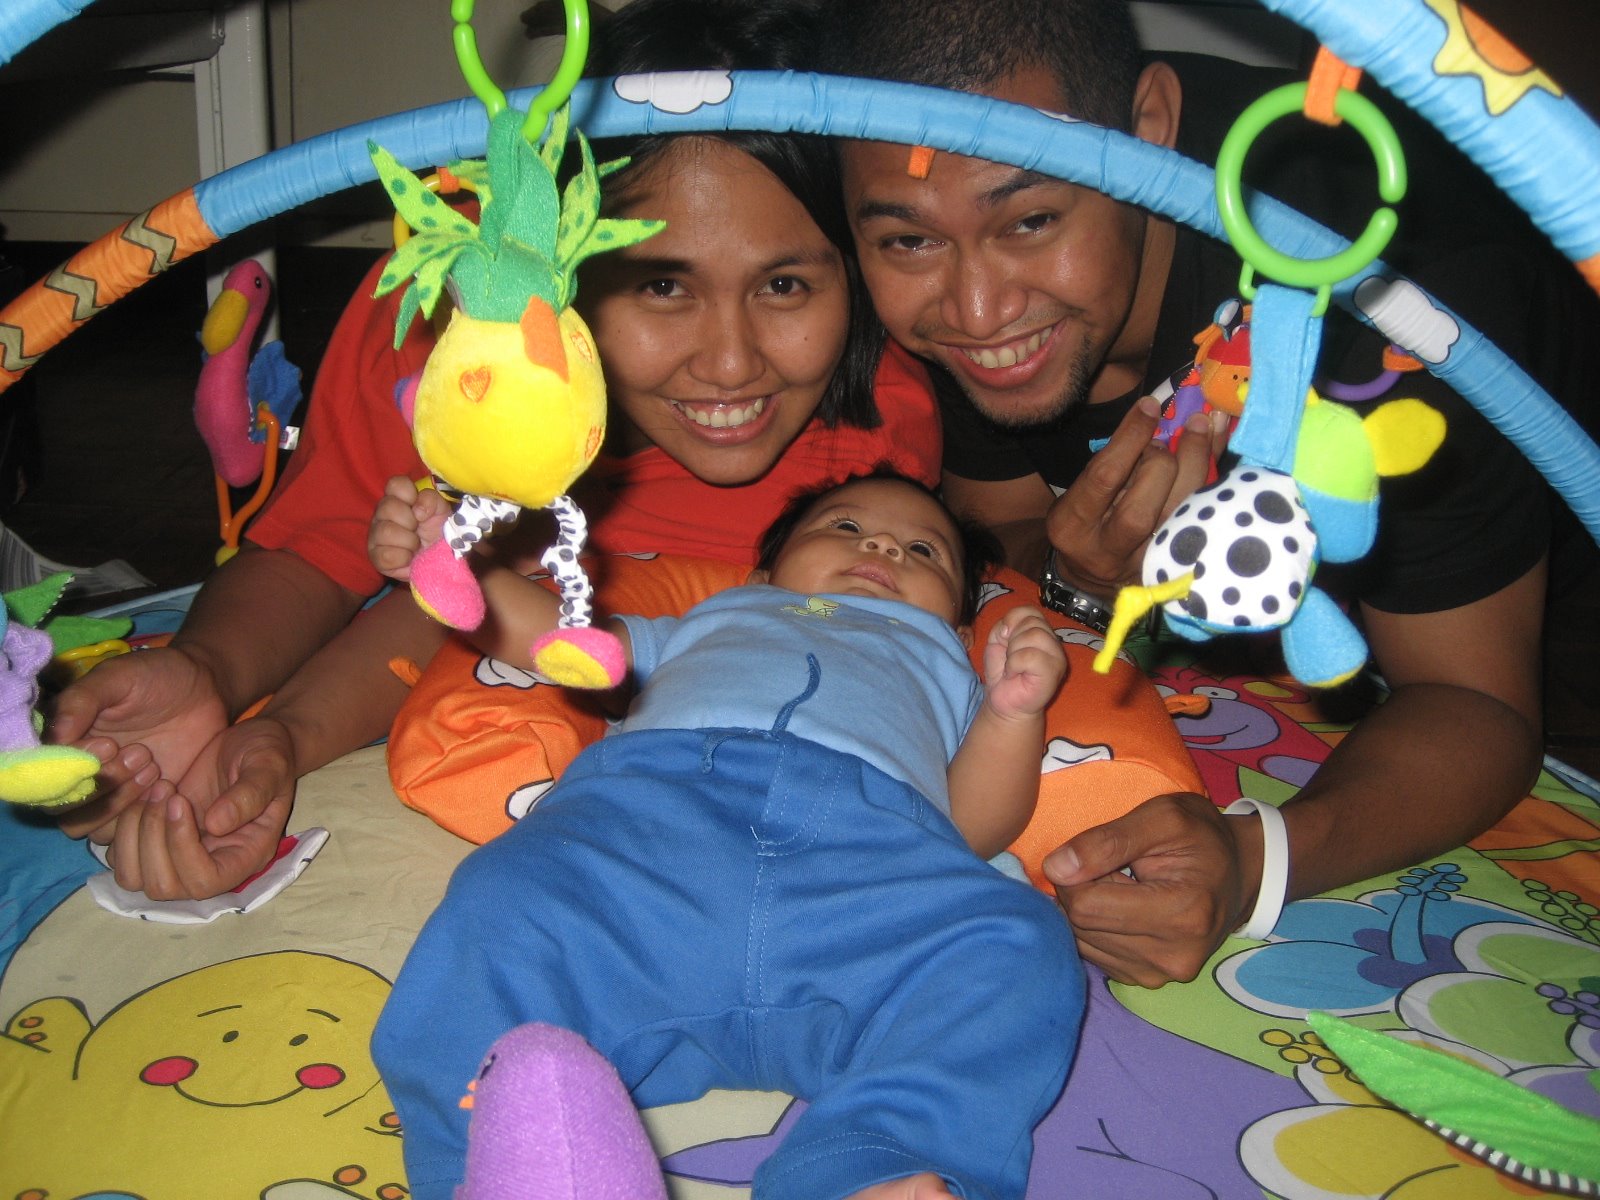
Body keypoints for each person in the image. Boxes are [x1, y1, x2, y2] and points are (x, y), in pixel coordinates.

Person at [42, 0, 939, 902]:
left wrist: (290, 731)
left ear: (857, 272)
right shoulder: (446, 326)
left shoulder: (883, 436)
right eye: (662, 285)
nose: (731, 363)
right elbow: (323, 547)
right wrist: (211, 674)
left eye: (784, 285)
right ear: (555, 261)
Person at [820, 0, 1596, 985]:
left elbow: (1473, 701)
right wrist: (1075, 582)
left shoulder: (1397, 301)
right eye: (906, 243)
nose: (977, 311)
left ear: (1151, 127)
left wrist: (1251, 860)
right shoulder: (965, 277)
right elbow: (1002, 517)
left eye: (1032, 221)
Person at [368, 468, 1081, 1200]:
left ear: (960, 630)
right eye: (844, 527)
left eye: (925, 551)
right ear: (763, 576)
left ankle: (877, 1166)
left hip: (859, 892)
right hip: (651, 852)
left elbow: (970, 828)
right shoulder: (707, 623)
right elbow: (560, 637)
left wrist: (1012, 713)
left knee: (1017, 942)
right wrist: (452, 563)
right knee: (506, 902)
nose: (883, 547)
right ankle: (510, 1162)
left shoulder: (948, 669)